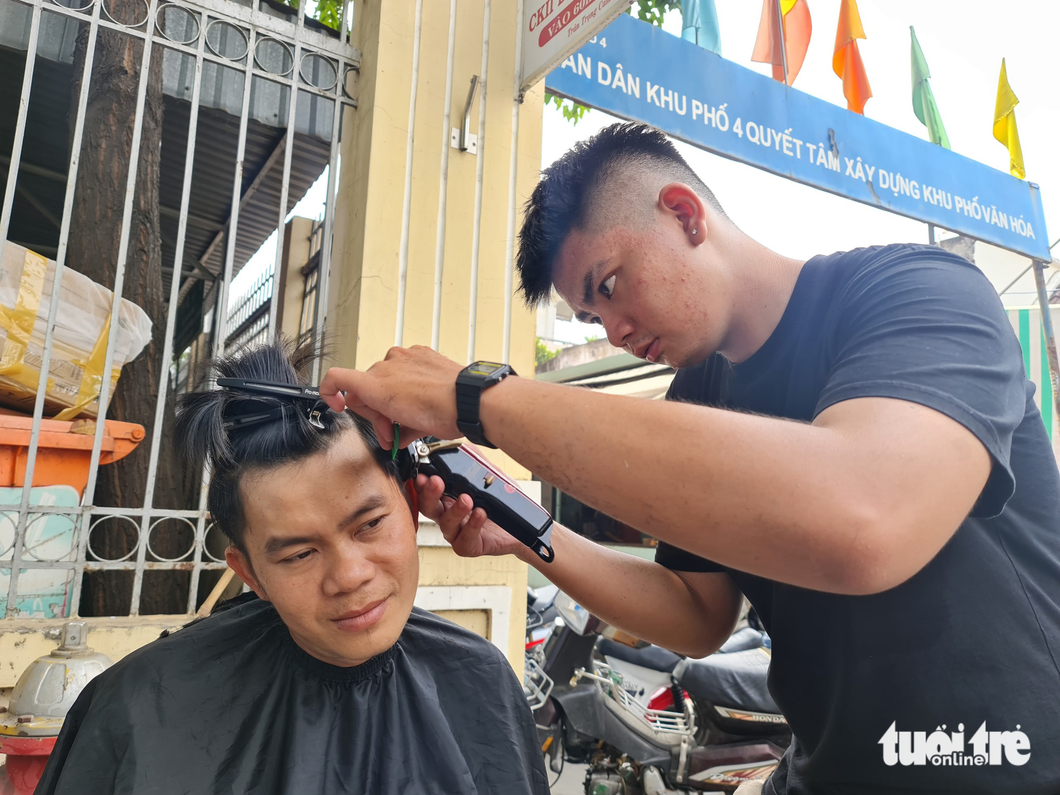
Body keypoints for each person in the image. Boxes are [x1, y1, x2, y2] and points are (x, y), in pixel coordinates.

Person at [319, 122, 1060, 794]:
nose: (613, 330)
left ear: (684, 213)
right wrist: (530, 533)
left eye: (608, 286)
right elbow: (699, 611)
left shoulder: (915, 293)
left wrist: (478, 396)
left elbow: (866, 516)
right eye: (591, 315)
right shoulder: (703, 388)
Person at [36, 340, 550, 795]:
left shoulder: (481, 680)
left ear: (412, 511)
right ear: (250, 573)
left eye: (369, 525)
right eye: (300, 554)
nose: (349, 577)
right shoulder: (140, 709)